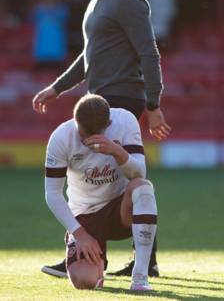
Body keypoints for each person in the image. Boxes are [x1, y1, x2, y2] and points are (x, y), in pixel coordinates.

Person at [32, 0, 171, 278]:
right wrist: (57, 88)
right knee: (105, 171)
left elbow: (149, 51)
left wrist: (153, 103)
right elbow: (88, 56)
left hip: (121, 97)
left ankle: (119, 256)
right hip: (101, 98)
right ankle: (99, 252)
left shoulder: (128, 0)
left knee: (116, 172)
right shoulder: (97, 2)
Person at [44, 94, 158, 290]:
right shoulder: (61, 136)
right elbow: (52, 194)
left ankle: (140, 275)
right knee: (84, 281)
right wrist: (80, 234)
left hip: (120, 210)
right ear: (75, 120)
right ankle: (97, 266)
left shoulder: (124, 120)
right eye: (83, 133)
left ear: (109, 123)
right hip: (84, 216)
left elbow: (140, 173)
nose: (87, 139)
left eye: (93, 134)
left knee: (143, 188)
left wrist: (117, 151)